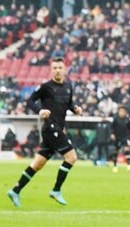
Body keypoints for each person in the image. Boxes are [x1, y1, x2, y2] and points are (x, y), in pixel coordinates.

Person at [7, 57, 83, 207]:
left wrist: (75, 109)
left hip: (57, 128)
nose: (57, 70)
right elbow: (30, 101)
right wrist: (40, 110)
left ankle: (15, 190)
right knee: (71, 157)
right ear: (51, 70)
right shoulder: (46, 87)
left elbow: (68, 104)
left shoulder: (68, 86)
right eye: (54, 68)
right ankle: (56, 190)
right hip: (50, 128)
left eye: (60, 67)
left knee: (38, 164)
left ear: (64, 69)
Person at [111, 106, 130, 172]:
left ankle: (129, 165)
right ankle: (115, 166)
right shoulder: (115, 118)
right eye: (121, 111)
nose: (122, 112)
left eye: (123, 111)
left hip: (125, 137)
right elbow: (112, 127)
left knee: (126, 149)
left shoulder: (127, 119)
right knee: (116, 151)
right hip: (117, 137)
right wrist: (112, 134)